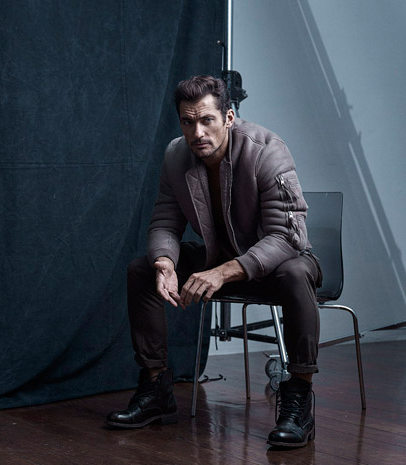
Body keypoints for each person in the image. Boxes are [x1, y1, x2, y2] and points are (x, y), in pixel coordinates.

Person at [106, 75, 322, 448]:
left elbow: (288, 237)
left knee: (295, 271)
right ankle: (156, 389)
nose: (198, 132)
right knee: (142, 269)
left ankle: (299, 395)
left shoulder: (267, 150)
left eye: (207, 120)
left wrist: (223, 272)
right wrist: (165, 262)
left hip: (275, 264)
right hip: (217, 258)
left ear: (229, 117)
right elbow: (165, 221)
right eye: (188, 122)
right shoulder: (176, 155)